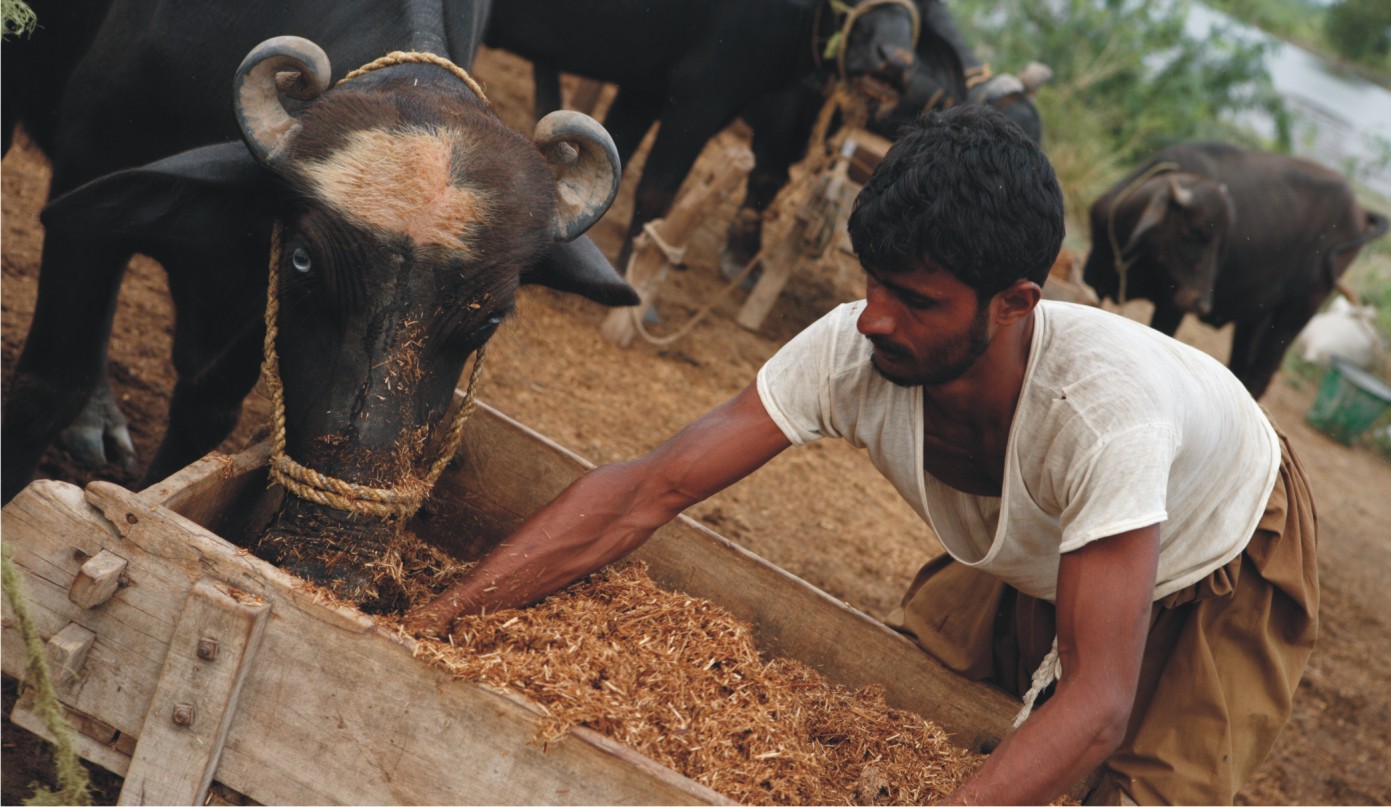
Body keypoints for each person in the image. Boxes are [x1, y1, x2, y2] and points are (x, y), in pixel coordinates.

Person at [406, 104, 1318, 805]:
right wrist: (436, 621)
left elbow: (1098, 702)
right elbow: (644, 492)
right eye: (872, 281)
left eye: (915, 300)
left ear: (1013, 303)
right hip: (1049, 529)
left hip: (1222, 544)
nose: (874, 317)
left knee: (1129, 783)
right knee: (956, 707)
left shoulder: (1103, 420)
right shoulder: (857, 347)